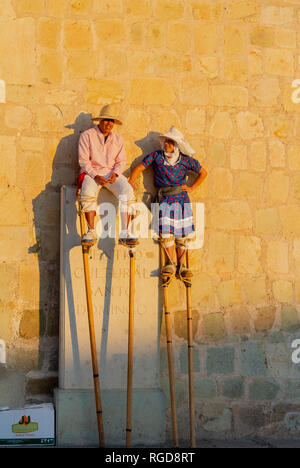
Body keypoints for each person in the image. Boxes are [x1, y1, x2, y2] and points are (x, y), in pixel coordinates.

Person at [129, 126, 207, 278]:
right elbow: (140, 167)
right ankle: (170, 263)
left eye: (170, 143)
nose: (166, 145)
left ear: (176, 145)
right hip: (164, 198)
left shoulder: (185, 160)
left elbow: (203, 173)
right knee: (166, 232)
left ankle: (182, 265)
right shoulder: (157, 156)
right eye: (165, 142)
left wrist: (191, 188)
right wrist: (131, 180)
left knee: (181, 233)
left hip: (181, 199)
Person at [78, 104, 136, 246]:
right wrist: (95, 175)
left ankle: (125, 232)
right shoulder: (87, 135)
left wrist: (115, 174)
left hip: (111, 173)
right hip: (93, 172)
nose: (108, 123)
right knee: (87, 191)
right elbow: (83, 161)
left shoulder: (117, 139)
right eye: (106, 120)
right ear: (100, 121)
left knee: (127, 191)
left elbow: (121, 161)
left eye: (111, 121)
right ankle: (90, 230)